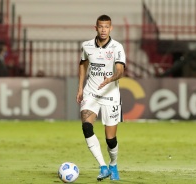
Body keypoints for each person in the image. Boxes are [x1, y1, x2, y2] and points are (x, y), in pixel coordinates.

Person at [76, 14, 126, 181]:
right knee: (87, 127)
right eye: (100, 27)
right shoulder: (87, 46)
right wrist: (80, 88)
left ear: (110, 28)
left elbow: (120, 71)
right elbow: (83, 64)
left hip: (110, 95)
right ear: (95, 28)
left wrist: (110, 79)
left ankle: (113, 164)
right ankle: (103, 167)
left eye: (106, 27)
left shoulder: (117, 47)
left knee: (110, 139)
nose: (103, 30)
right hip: (91, 93)